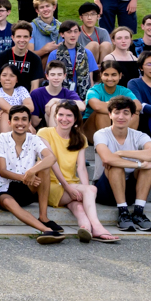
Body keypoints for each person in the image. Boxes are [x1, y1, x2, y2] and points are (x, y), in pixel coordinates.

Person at [41, 102, 116, 243]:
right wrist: (71, 188)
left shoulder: (80, 138)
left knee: (80, 207)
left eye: (69, 115)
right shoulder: (45, 133)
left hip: (72, 186)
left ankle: (86, 228)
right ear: (55, 116)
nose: (64, 119)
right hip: (50, 186)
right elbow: (52, 163)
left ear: (75, 118)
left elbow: (81, 167)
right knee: (92, 189)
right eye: (61, 115)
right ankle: (98, 227)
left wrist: (85, 191)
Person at [0, 105, 61, 240]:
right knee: (8, 202)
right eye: (16, 119)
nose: (20, 123)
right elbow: (2, 171)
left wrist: (32, 172)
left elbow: (51, 157)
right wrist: (25, 177)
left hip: (26, 188)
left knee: (44, 167)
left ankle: (44, 217)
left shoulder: (34, 139)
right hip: (2, 189)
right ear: (9, 122)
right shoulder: (0, 139)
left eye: (24, 119)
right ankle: (46, 230)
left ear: (29, 123)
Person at [92, 97, 151, 232]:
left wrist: (122, 152)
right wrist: (139, 165)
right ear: (110, 114)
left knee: (149, 164)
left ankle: (138, 212)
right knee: (116, 166)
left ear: (133, 116)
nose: (121, 117)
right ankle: (123, 213)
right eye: (116, 112)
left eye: (126, 113)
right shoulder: (101, 134)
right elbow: (107, 159)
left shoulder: (140, 136)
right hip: (105, 190)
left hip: (131, 191)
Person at [83, 61, 137, 137]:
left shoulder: (124, 90)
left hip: (117, 124)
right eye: (106, 75)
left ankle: (125, 140)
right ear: (101, 75)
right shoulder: (94, 90)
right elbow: (97, 106)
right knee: (102, 112)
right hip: (93, 129)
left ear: (120, 75)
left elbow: (138, 106)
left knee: (135, 113)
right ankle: (106, 142)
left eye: (114, 75)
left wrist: (111, 105)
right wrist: (122, 107)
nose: (110, 78)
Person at [29, 63, 81, 129]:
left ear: (64, 76)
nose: (56, 78)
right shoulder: (36, 93)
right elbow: (35, 122)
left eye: (59, 75)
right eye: (53, 75)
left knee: (56, 106)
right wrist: (48, 115)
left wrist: (56, 100)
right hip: (44, 129)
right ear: (47, 76)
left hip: (66, 127)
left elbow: (82, 106)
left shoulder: (68, 93)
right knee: (54, 107)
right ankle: (55, 137)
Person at [0, 62, 31, 135]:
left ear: (17, 79)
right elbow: (9, 108)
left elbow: (30, 107)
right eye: (4, 75)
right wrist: (6, 110)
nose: (7, 79)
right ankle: (7, 144)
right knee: (5, 115)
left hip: (19, 122)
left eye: (12, 76)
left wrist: (6, 110)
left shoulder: (21, 89)